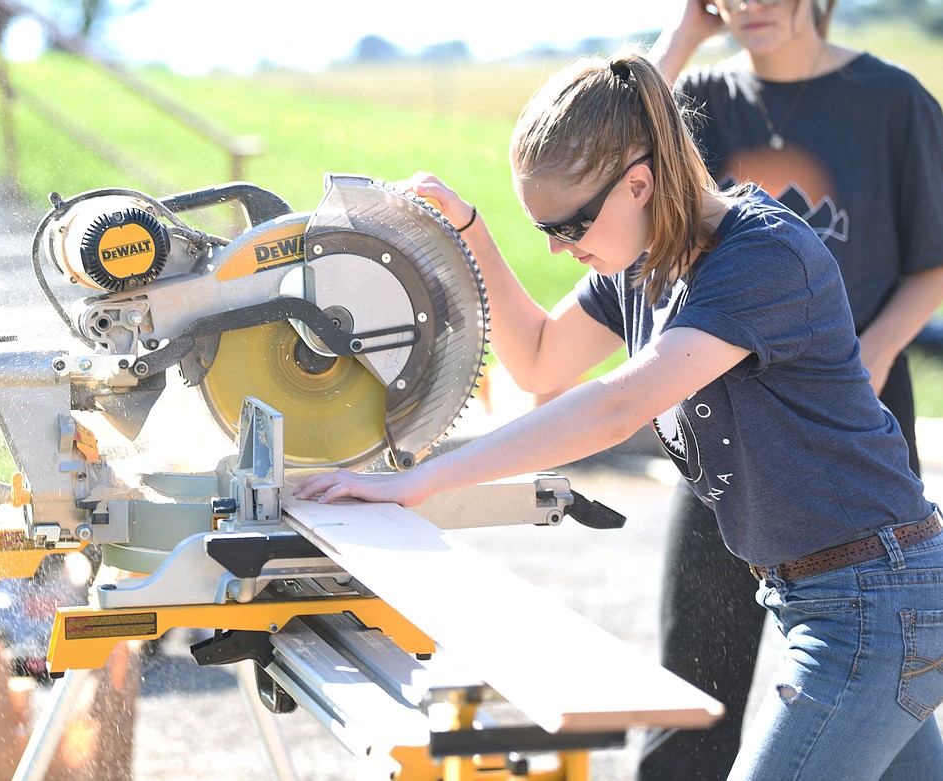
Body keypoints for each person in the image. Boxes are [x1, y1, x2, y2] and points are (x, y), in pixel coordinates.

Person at [293, 50, 943, 780]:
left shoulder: (759, 258)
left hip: (872, 602)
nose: (558, 248)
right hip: (834, 594)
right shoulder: (645, 262)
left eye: (569, 225)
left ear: (639, 183)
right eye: (545, 228)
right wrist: (469, 232)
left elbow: (617, 405)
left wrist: (421, 481)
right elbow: (538, 358)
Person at [637, 2, 943, 777]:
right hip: (719, 442)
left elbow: (933, 258)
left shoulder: (892, 100)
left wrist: (874, 346)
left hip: (852, 428)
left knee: (873, 680)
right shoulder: (696, 98)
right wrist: (677, 42)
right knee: (691, 688)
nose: (750, 6)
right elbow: (599, 156)